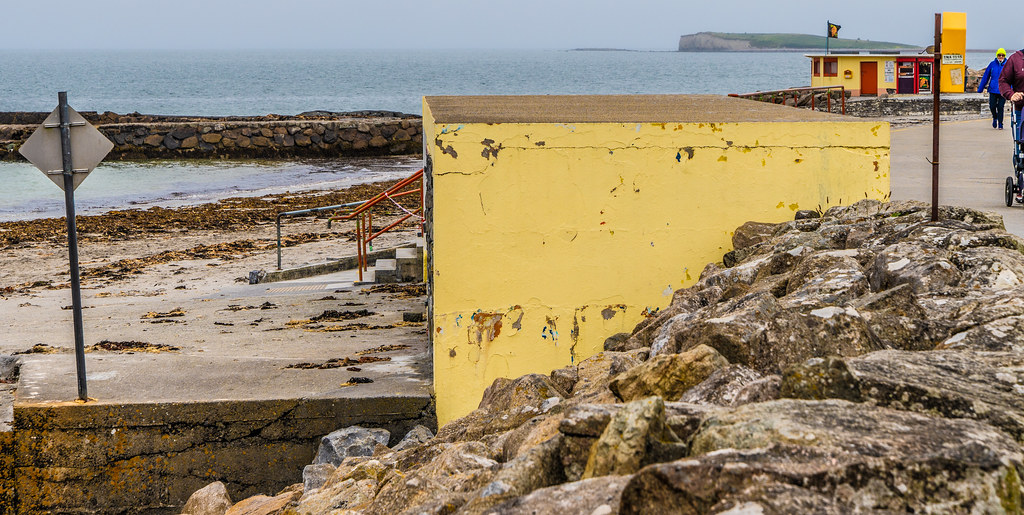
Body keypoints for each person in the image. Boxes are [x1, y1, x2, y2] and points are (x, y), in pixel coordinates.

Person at [980, 48, 1007, 129]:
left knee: (1000, 107)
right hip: (993, 89)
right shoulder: (992, 64)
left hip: (1003, 90)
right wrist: (980, 88)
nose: (1001, 56)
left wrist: (1012, 89)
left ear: (1004, 56)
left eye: (1003, 55)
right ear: (997, 55)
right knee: (992, 106)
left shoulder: (1008, 64)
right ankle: (995, 117)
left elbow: (1012, 77)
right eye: (999, 55)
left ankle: (1000, 123)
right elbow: (986, 76)